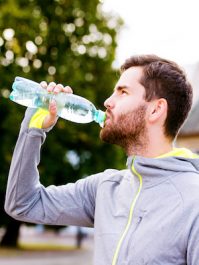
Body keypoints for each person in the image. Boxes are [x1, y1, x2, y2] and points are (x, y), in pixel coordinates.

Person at [4, 54, 199, 265]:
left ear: (156, 109)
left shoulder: (193, 203)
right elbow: (22, 204)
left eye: (123, 92)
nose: (107, 102)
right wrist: (34, 129)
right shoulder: (104, 188)